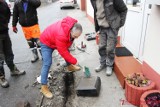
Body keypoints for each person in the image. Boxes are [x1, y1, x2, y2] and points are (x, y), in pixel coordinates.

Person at [40, 16, 82, 98]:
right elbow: (63, 52)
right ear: (70, 31)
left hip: (54, 39)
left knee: (66, 51)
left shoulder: (71, 28)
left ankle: (70, 67)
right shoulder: (62, 35)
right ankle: (43, 87)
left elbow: (65, 48)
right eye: (75, 36)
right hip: (46, 42)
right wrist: (75, 61)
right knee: (47, 63)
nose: (76, 38)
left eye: (78, 36)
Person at [90, 0, 127, 76]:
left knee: (110, 48)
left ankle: (109, 65)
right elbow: (96, 11)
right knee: (101, 47)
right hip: (101, 27)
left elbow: (124, 9)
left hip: (112, 27)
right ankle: (102, 63)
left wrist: (120, 23)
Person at [0, 0, 26, 88]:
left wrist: (5, 24)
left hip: (4, 32)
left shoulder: (3, 3)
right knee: (0, 57)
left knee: (9, 53)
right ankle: (1, 77)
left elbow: (7, 14)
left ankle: (13, 70)